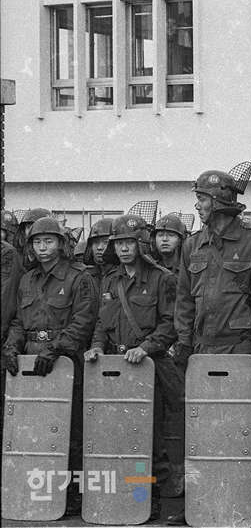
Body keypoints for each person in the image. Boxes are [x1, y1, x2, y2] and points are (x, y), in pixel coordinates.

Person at [86, 214, 181, 518]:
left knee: (150, 439)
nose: (124, 249)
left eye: (129, 243)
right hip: (117, 367)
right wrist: (97, 346)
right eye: (119, 244)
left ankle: (149, 501)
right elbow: (102, 322)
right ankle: (127, 500)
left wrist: (146, 348)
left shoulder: (162, 278)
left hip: (150, 367)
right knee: (120, 436)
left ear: (141, 244)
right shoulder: (111, 279)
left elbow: (170, 324)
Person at [2, 217, 97, 517]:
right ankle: (38, 491)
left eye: (49, 241)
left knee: (71, 432)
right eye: (37, 242)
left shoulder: (79, 277)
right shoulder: (27, 279)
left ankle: (72, 495)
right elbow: (18, 321)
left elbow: (83, 321)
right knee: (34, 431)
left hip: (65, 363)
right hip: (30, 361)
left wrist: (56, 349)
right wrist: (11, 348)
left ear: (61, 244)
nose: (42, 247)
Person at [172, 165, 251, 366]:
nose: (197, 206)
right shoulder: (192, 245)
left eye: (202, 199)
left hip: (241, 348)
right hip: (201, 347)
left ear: (218, 201)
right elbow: (184, 299)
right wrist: (183, 340)